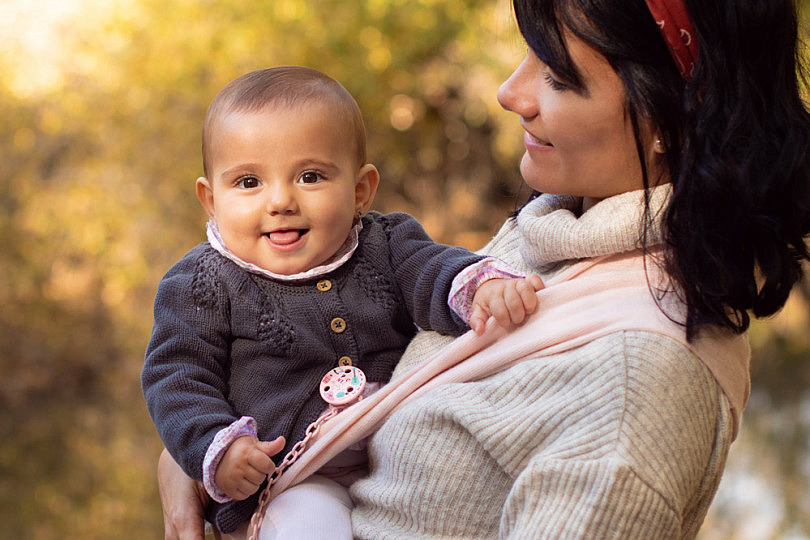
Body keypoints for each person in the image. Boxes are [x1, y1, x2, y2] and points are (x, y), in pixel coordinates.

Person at [156, 0, 810, 538]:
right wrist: (198, 447)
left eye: (555, 75)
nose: (508, 92)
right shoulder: (552, 240)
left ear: (666, 114)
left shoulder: (633, 395)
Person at [142, 66, 543, 539]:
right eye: (248, 182)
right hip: (290, 475)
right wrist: (216, 446)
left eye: (309, 176)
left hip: (396, 450)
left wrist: (480, 287)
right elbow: (177, 377)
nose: (280, 201)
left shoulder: (384, 243)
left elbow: (432, 270)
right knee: (310, 527)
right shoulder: (201, 283)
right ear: (210, 200)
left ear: (360, 190)